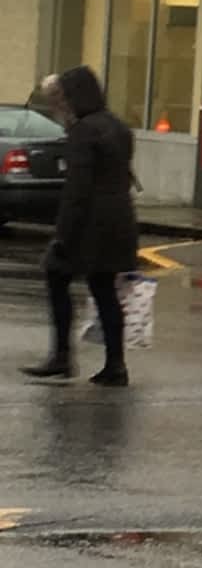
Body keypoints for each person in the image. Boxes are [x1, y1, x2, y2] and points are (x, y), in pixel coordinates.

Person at [21, 65, 139, 387]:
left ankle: (61, 357)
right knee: (104, 290)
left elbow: (77, 189)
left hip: (89, 224)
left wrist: (63, 235)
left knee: (55, 274)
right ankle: (115, 365)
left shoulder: (83, 131)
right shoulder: (117, 127)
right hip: (120, 221)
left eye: (63, 98)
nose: (61, 105)